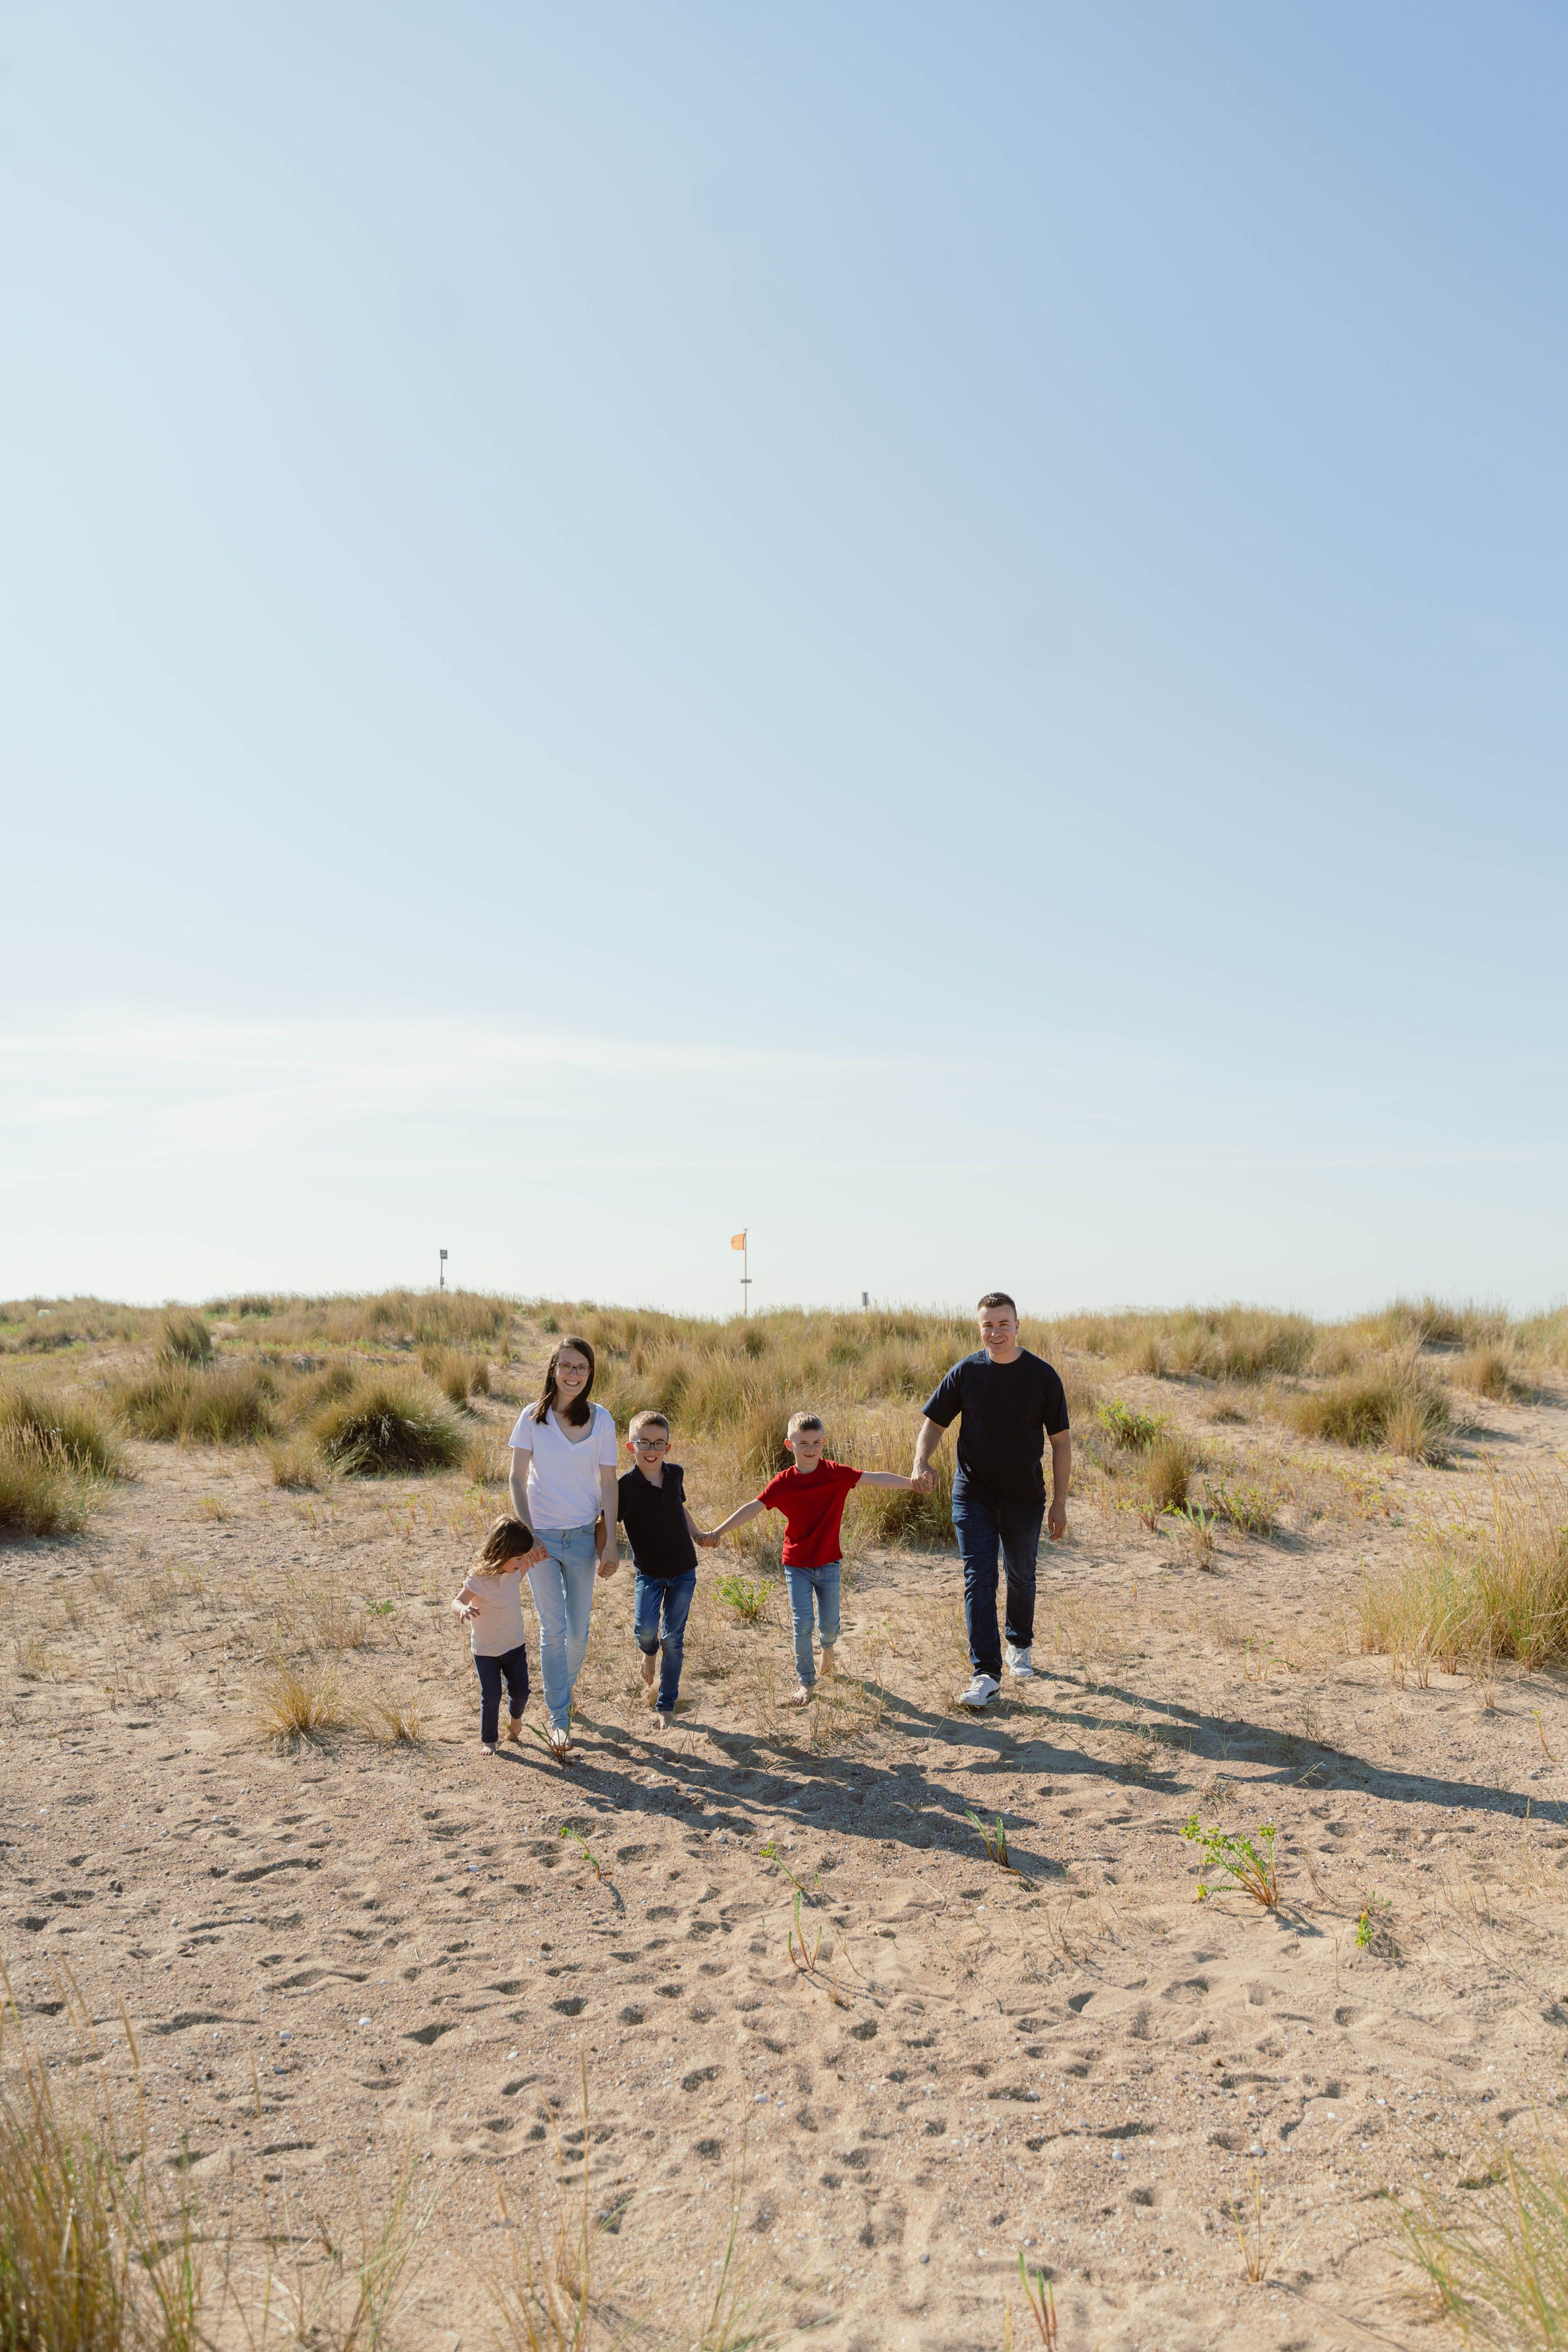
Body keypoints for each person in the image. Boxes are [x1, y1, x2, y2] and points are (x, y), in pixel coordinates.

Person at [911, 1292, 1071, 1710]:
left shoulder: (1042, 1376)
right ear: (979, 1328)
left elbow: (1061, 1444)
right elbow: (934, 1424)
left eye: (1003, 1324)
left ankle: (1019, 1643)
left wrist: (1059, 1502)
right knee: (979, 1579)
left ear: (1018, 1326)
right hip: (973, 1495)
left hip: (1024, 1497)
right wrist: (920, 1461)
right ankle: (986, 1673)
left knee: (1021, 1575)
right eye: (988, 1325)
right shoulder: (966, 1373)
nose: (996, 1332)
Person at [705, 1412, 925, 1705]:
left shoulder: (835, 1473)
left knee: (831, 1626)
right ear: (789, 1445)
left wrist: (912, 1483)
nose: (811, 1449)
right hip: (796, 1565)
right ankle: (806, 1683)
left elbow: (874, 1478)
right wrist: (718, 1532)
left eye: (817, 1442)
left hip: (829, 1563)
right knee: (803, 1623)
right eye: (803, 1443)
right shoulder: (783, 1483)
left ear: (824, 1443)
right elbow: (752, 1507)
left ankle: (828, 1648)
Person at [507, 1335, 620, 1757]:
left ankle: (564, 1687)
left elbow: (608, 1483)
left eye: (582, 1368)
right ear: (554, 1368)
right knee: (552, 1628)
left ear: (590, 1375)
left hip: (583, 1536)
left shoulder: (602, 1419)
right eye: (567, 1366)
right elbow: (517, 1480)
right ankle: (559, 1716)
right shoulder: (531, 1419)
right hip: (541, 1539)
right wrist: (529, 1534)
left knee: (578, 1631)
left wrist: (611, 1543)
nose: (574, 1375)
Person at [616, 1409, 718, 1730]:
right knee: (647, 1631)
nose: (651, 1449)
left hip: (684, 1569)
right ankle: (648, 1653)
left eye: (659, 1443)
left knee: (674, 1638)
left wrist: (697, 1534)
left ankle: (666, 1703)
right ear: (631, 1446)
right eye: (643, 1442)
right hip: (649, 1571)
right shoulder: (624, 1488)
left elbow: (680, 1508)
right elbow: (607, 1521)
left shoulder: (676, 1474)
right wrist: (606, 1554)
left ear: (668, 1448)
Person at [451, 1515, 548, 1754]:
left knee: (521, 1691)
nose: (522, 1562)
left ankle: (516, 1719)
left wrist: (536, 1555)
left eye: (524, 1557)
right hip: (485, 1651)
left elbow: (529, 1559)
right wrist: (462, 1609)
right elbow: (456, 1601)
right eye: (518, 1557)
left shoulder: (514, 1571)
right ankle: (490, 1741)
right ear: (502, 1552)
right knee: (492, 1695)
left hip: (514, 1646)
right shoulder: (477, 1579)